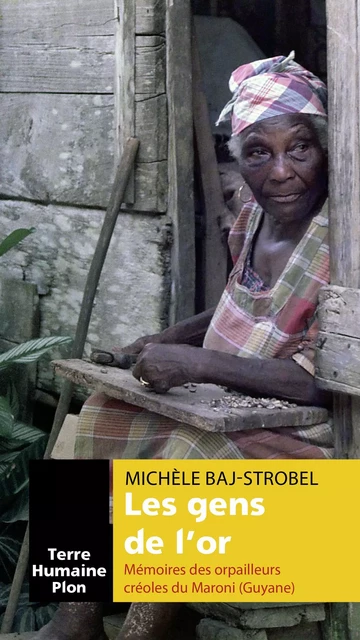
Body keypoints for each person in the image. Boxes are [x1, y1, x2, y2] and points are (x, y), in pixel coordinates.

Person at [35, 52, 333, 640]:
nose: (279, 172)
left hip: (304, 438)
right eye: (257, 152)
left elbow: (321, 379)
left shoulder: (342, 243)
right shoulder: (252, 219)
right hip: (231, 407)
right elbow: (237, 303)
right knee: (100, 415)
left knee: (185, 455)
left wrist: (194, 362)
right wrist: (165, 340)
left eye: (298, 148)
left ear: (324, 151)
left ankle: (149, 628)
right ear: (237, 158)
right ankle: (76, 617)